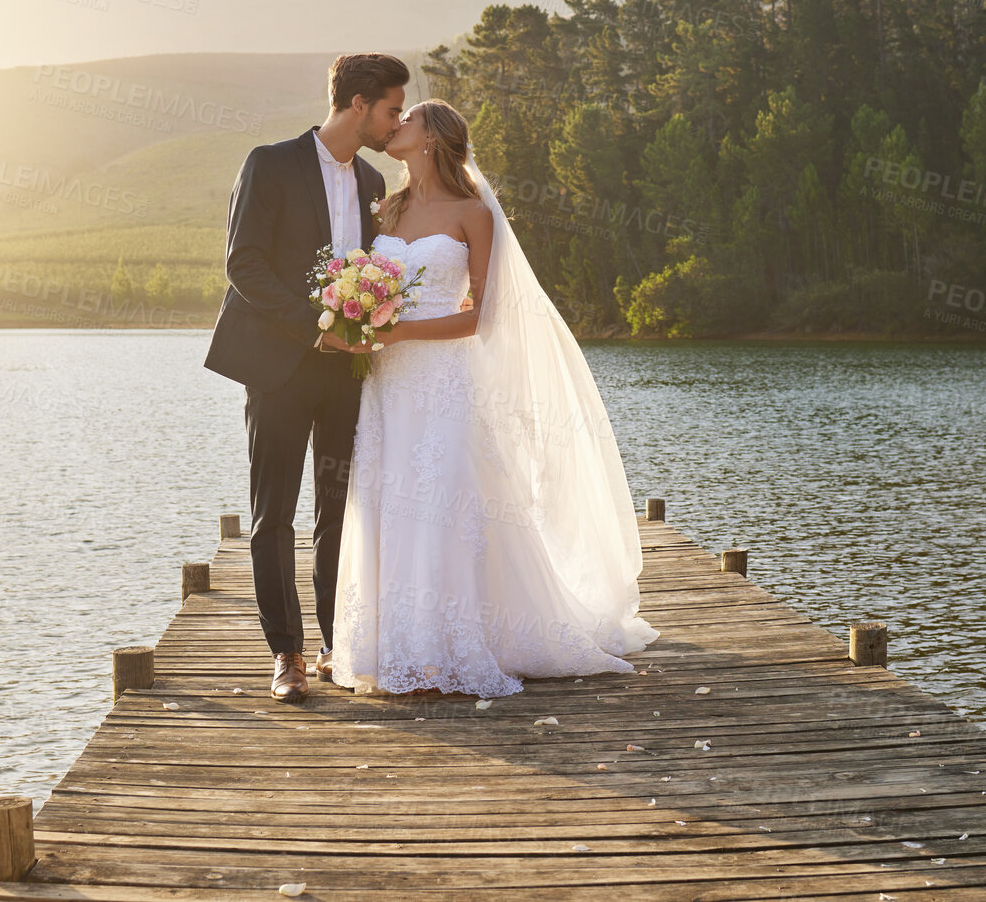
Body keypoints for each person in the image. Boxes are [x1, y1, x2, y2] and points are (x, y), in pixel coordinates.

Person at [327, 99, 658, 697]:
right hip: (389, 384)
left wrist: (399, 330)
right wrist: (360, 326)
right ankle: (396, 645)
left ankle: (452, 643)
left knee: (444, 502)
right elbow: (368, 285)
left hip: (446, 381)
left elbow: (481, 317)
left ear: (431, 140)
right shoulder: (387, 208)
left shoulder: (473, 214)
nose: (394, 127)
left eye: (407, 121)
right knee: (391, 502)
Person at [204, 52, 408, 703]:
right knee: (273, 516)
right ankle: (284, 654)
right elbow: (244, 263)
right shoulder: (269, 164)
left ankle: (331, 643)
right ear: (356, 104)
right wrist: (311, 323)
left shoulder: (373, 182)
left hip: (345, 372)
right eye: (389, 109)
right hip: (277, 364)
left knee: (337, 511)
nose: (393, 122)